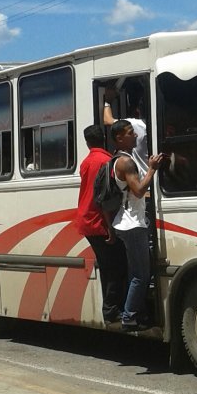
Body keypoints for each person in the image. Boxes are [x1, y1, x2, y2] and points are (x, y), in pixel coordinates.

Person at [110, 119, 164, 331]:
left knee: (136, 273)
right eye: (130, 133)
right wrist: (151, 169)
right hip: (131, 224)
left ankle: (133, 312)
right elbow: (139, 191)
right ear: (119, 138)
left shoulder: (122, 159)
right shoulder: (126, 162)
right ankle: (129, 316)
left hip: (128, 222)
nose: (135, 136)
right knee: (141, 274)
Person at [76, 125, 127, 325]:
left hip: (86, 219)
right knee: (116, 266)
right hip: (100, 221)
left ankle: (111, 308)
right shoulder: (107, 162)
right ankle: (112, 310)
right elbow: (106, 197)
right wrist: (111, 228)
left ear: (87, 142)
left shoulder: (86, 162)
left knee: (107, 265)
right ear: (104, 138)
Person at [103, 84, 148, 172]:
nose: (135, 135)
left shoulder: (136, 124)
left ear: (138, 110)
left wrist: (107, 101)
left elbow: (107, 120)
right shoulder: (152, 126)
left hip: (142, 178)